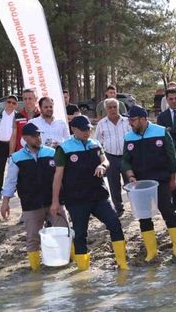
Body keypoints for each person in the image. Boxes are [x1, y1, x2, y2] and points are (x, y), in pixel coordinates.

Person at [50, 115, 128, 271]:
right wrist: (55, 201)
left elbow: (105, 160)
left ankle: (122, 263)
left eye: (89, 129)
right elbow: (57, 177)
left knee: (114, 223)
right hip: (76, 199)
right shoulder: (64, 149)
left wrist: (103, 167)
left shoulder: (95, 144)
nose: (87, 133)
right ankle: (83, 271)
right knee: (80, 234)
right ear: (73, 129)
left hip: (99, 196)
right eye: (83, 130)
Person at [0, 123, 69, 270]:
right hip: (31, 204)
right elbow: (10, 181)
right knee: (33, 238)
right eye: (34, 136)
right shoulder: (16, 158)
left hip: (54, 202)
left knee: (65, 232)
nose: (38, 138)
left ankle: (69, 263)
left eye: (39, 135)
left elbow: (62, 177)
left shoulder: (52, 153)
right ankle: (35, 269)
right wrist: (5, 202)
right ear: (25, 138)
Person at [121, 106, 176, 263]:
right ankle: (151, 251)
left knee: (168, 212)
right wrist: (130, 176)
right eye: (129, 120)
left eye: (133, 120)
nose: (130, 123)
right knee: (144, 217)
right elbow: (125, 160)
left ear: (143, 119)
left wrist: (173, 178)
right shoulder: (129, 136)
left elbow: (172, 157)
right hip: (140, 183)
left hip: (160, 180)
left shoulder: (161, 131)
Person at [94, 98, 132, 217]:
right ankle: (119, 208)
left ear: (118, 107)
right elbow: (97, 142)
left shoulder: (127, 121)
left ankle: (135, 205)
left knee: (130, 182)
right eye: (110, 107)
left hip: (127, 157)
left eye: (114, 107)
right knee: (113, 184)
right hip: (110, 157)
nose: (112, 109)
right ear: (106, 109)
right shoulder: (101, 123)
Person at [156, 88, 176, 224]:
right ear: (167, 100)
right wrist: (174, 131)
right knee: (173, 181)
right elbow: (163, 136)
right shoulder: (162, 117)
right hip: (171, 154)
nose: (174, 101)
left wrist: (172, 130)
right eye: (171, 99)